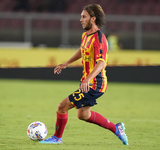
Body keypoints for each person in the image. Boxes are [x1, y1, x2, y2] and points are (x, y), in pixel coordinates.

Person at [39, 4, 129, 145]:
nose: (80, 19)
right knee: (83, 115)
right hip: (89, 82)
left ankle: (57, 138)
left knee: (62, 107)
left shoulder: (99, 39)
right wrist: (67, 63)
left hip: (95, 84)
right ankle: (116, 128)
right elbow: (82, 50)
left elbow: (101, 63)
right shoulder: (86, 35)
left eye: (83, 17)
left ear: (93, 19)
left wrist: (88, 79)